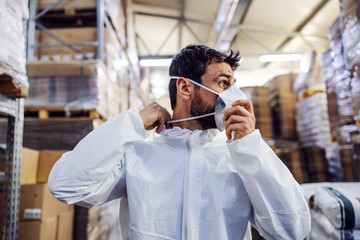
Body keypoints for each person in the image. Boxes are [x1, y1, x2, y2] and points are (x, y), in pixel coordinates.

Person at [48, 44, 311, 240]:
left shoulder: (242, 159)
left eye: (233, 86)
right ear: (185, 88)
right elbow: (66, 186)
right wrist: (132, 123)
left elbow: (291, 230)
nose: (235, 97)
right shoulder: (139, 155)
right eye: (222, 83)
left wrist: (251, 146)